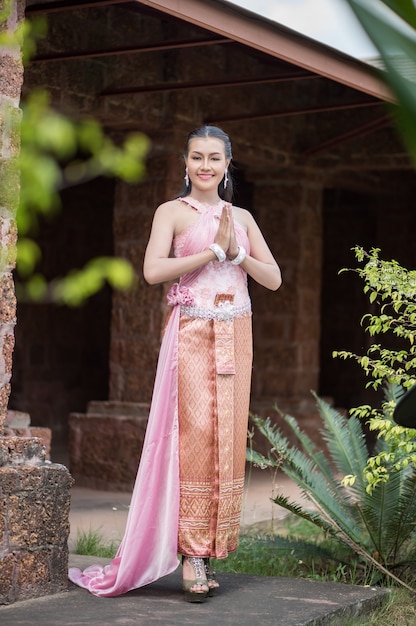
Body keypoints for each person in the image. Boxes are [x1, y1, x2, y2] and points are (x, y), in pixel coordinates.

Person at [69, 126, 282, 602]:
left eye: (214, 158)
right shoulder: (170, 212)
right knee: (194, 438)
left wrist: (239, 253)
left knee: (227, 438)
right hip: (191, 335)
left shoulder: (242, 217)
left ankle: (210, 547)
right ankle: (191, 554)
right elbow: (151, 270)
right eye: (196, 157)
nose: (205, 166)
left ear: (228, 165)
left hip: (236, 335)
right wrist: (211, 251)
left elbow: (273, 279)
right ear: (184, 163)